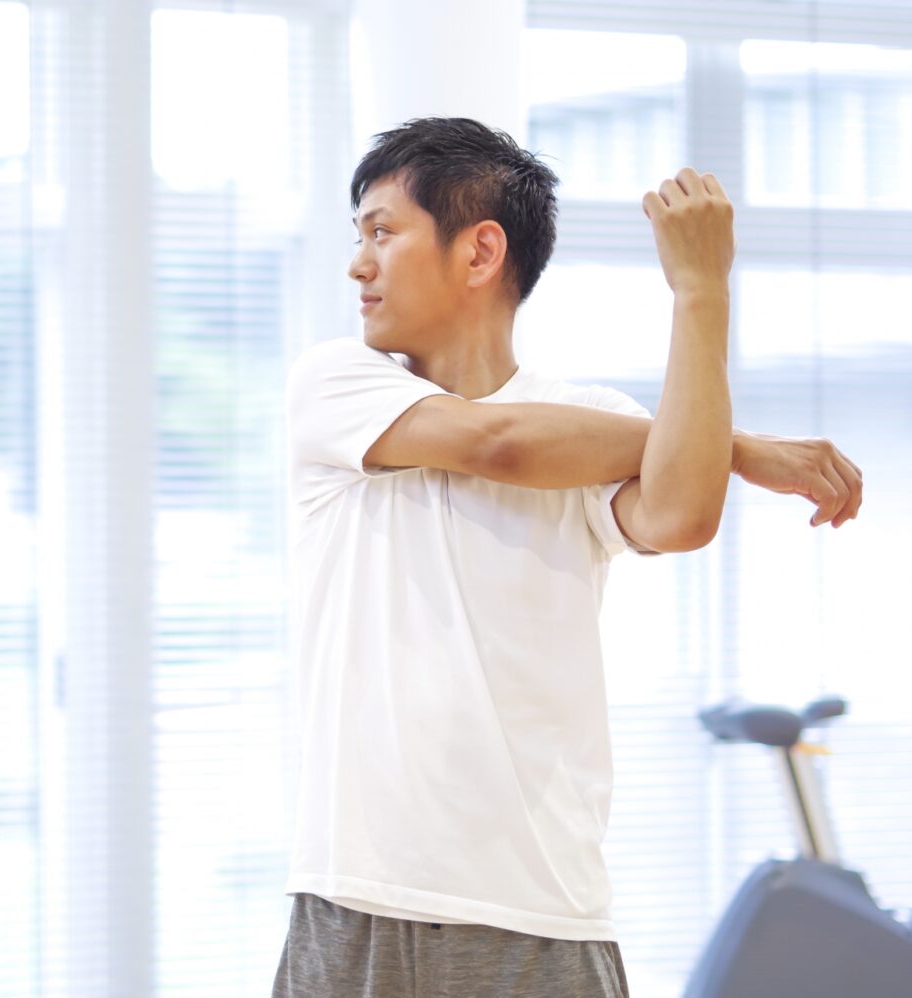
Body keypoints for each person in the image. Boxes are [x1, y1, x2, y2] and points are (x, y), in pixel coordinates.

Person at [272, 117, 863, 998]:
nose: (359, 263)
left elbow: (680, 510)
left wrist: (700, 292)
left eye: (383, 232)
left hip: (542, 918)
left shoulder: (587, 417)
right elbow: (499, 443)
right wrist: (743, 446)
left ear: (478, 253)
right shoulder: (337, 385)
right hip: (355, 902)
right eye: (359, 236)